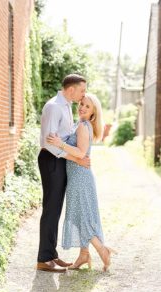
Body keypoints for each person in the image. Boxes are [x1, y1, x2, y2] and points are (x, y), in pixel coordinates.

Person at [47, 93, 116, 271]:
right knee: (80, 215)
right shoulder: (80, 125)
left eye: (87, 106)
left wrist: (59, 143)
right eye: (82, 104)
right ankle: (84, 255)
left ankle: (102, 250)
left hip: (80, 178)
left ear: (93, 113)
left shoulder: (83, 127)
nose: (83, 108)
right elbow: (78, 154)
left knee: (83, 217)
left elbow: (80, 152)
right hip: (78, 176)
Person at [37, 74, 89, 273]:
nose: (84, 94)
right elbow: (49, 143)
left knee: (56, 208)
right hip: (52, 160)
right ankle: (44, 259)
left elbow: (65, 136)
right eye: (82, 90)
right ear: (71, 89)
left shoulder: (66, 105)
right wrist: (75, 158)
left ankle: (51, 253)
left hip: (60, 161)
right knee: (51, 208)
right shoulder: (54, 107)